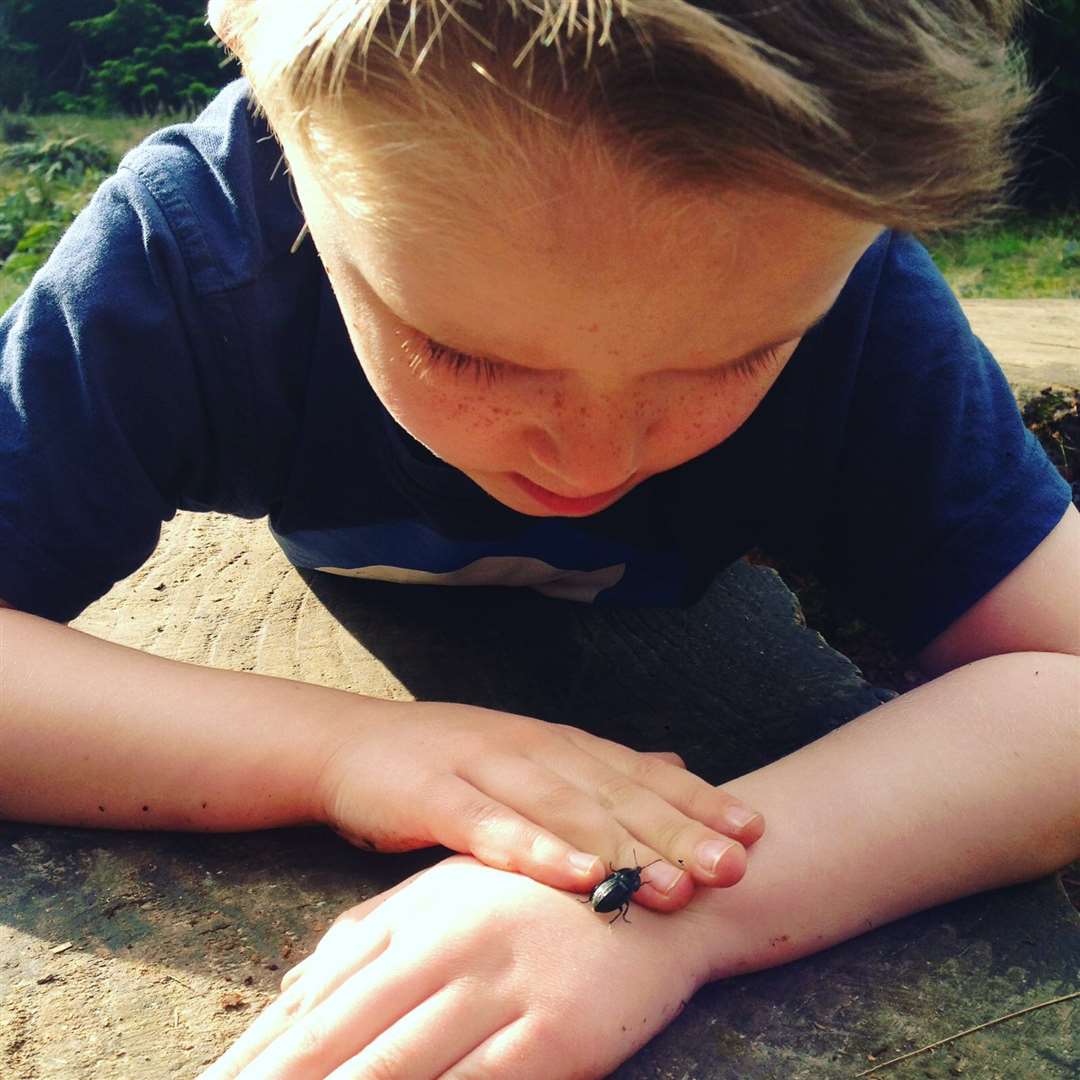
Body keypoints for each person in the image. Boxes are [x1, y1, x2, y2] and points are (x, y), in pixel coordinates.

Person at [1, 1, 1076, 1076]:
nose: (589, 463)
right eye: (463, 356)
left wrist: (682, 908)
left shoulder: (861, 292)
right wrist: (346, 749)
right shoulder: (184, 252)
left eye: (735, 360)